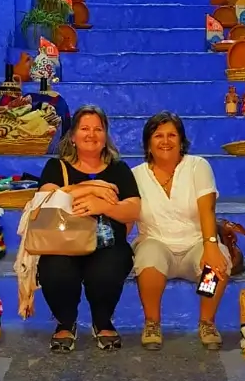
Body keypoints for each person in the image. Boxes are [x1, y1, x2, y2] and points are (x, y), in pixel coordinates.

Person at [37, 105, 140, 352]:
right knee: (55, 268)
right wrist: (91, 189)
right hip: (62, 242)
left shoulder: (119, 170)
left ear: (105, 136)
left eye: (98, 129)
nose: (91, 134)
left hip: (107, 244)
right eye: (84, 128)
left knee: (109, 267)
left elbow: (133, 209)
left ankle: (102, 321)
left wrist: (100, 206)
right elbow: (44, 198)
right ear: (72, 136)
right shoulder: (56, 167)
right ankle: (65, 322)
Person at [132, 112, 231, 351]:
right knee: (148, 259)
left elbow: (207, 209)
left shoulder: (197, 166)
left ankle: (207, 322)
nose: (165, 141)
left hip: (196, 244)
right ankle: (152, 323)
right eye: (158, 136)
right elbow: (126, 214)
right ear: (148, 143)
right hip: (155, 242)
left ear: (181, 140)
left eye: (172, 135)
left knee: (216, 266)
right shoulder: (135, 175)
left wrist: (211, 245)